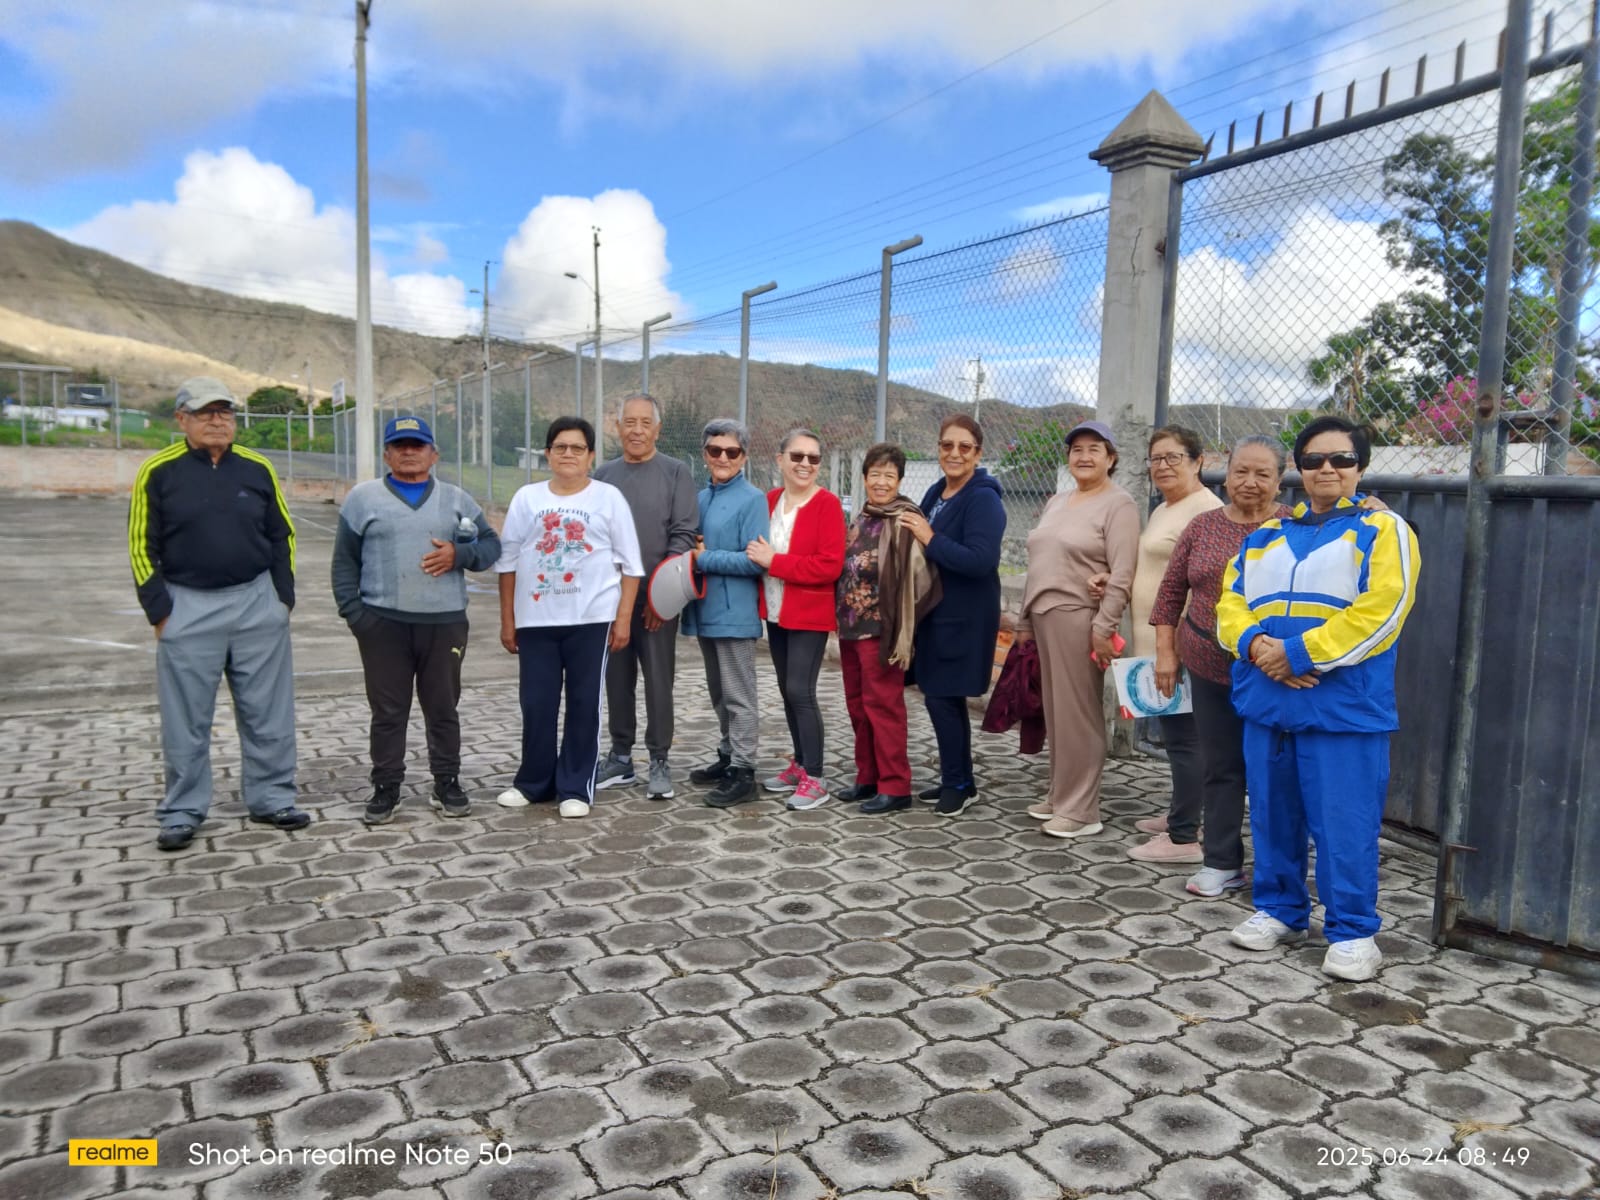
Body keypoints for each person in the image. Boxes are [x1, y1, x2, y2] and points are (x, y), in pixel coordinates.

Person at [1217, 415, 1420, 982]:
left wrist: (1300, 654)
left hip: (1341, 709)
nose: (1326, 469)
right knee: (1273, 814)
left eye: (1341, 459)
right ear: (1299, 470)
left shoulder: (1384, 530)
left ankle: (1353, 931)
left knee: (1344, 824)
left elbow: (1383, 609)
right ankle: (1280, 910)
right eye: (1313, 460)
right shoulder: (1264, 537)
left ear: (1361, 467)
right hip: (1269, 703)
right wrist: (1257, 646)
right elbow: (1230, 603)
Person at [128, 376, 309, 851]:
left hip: (256, 603)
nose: (217, 420)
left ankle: (272, 798)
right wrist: (160, 612)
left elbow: (282, 534)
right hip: (188, 606)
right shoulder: (158, 472)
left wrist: (281, 599)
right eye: (205, 412)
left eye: (224, 412)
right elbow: (141, 544)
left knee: (268, 712)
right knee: (185, 719)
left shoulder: (257, 467)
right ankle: (183, 811)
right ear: (181, 419)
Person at [331, 415, 501, 825]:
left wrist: (459, 554)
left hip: (444, 623)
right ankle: (386, 786)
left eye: (417, 445)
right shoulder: (363, 499)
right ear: (386, 454)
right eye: (400, 445)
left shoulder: (457, 499)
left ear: (433, 454)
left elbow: (491, 546)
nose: (409, 452)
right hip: (382, 624)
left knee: (442, 706)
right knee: (388, 711)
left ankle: (447, 781)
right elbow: (344, 564)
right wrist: (357, 616)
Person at [1149, 435, 1291, 896]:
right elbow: (1170, 593)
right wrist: (1166, 653)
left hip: (1274, 671)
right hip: (1208, 666)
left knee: (1275, 770)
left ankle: (1279, 869)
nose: (1249, 482)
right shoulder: (1203, 526)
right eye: (1240, 471)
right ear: (1225, 475)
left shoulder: (1295, 525)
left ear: (1280, 480)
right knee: (1221, 765)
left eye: (1262, 474)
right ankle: (1222, 861)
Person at [493, 417, 643, 818]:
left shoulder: (608, 498)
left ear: (591, 455)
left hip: (591, 620)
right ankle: (533, 782)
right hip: (536, 621)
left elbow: (631, 566)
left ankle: (576, 786)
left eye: (578, 448)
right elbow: (507, 563)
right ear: (547, 454)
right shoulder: (527, 498)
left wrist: (623, 618)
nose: (568, 454)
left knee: (583, 704)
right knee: (537, 704)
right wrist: (508, 619)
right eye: (560, 447)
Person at [1015, 419, 1140, 839]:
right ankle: (1060, 795)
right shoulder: (1059, 500)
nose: (1084, 456)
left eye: (1094, 449)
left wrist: (1103, 626)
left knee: (1079, 715)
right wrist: (1024, 621)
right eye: (1077, 449)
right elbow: (1039, 562)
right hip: (1045, 614)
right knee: (1057, 713)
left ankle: (1082, 810)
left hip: (1080, 616)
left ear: (1111, 458)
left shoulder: (1119, 504)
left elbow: (1122, 572)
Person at [592, 394, 700, 801]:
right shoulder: (603, 475)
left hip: (657, 600)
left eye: (645, 423)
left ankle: (659, 758)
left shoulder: (676, 473)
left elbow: (683, 535)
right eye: (629, 422)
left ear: (657, 429)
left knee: (658, 681)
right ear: (618, 427)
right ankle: (621, 757)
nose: (636, 430)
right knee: (616, 679)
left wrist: (661, 597)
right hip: (612, 600)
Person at [1123, 426, 1222, 863]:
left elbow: (1204, 588)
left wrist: (1174, 647)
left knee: (1186, 740)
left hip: (1180, 645)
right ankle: (1183, 814)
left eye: (1174, 457)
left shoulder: (1206, 510)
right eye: (1156, 458)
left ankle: (1184, 839)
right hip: (1156, 642)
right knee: (1177, 734)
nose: (1162, 466)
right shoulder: (1166, 508)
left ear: (1199, 461)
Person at [900, 414, 1006, 816]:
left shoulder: (983, 499)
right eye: (947, 445)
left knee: (942, 697)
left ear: (978, 454)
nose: (955, 453)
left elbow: (981, 560)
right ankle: (959, 779)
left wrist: (930, 537)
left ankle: (958, 784)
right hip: (936, 612)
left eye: (965, 447)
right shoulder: (937, 491)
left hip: (965, 615)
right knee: (942, 697)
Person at [834, 443, 941, 814]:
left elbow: (923, 577)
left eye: (889, 476)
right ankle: (868, 777)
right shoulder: (862, 516)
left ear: (899, 481)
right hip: (850, 627)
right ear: (865, 478)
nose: (881, 482)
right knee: (857, 705)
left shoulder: (905, 519)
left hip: (883, 631)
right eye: (875, 474)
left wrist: (901, 620)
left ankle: (895, 786)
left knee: (884, 708)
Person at [749, 428, 846, 810]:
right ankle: (801, 764)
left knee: (801, 691)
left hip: (809, 613)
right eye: (797, 456)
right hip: (776, 612)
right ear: (780, 460)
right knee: (787, 689)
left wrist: (775, 562)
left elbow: (829, 565)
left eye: (813, 458)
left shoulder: (827, 505)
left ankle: (816, 778)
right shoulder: (769, 500)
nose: (805, 464)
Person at [682, 419, 771, 808]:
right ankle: (728, 754)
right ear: (704, 454)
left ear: (744, 457)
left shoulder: (752, 499)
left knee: (739, 695)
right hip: (705, 611)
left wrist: (704, 558)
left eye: (731, 451)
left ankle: (745, 772)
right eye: (715, 450)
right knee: (719, 693)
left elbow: (754, 561)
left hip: (735, 615)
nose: (723, 457)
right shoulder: (700, 497)